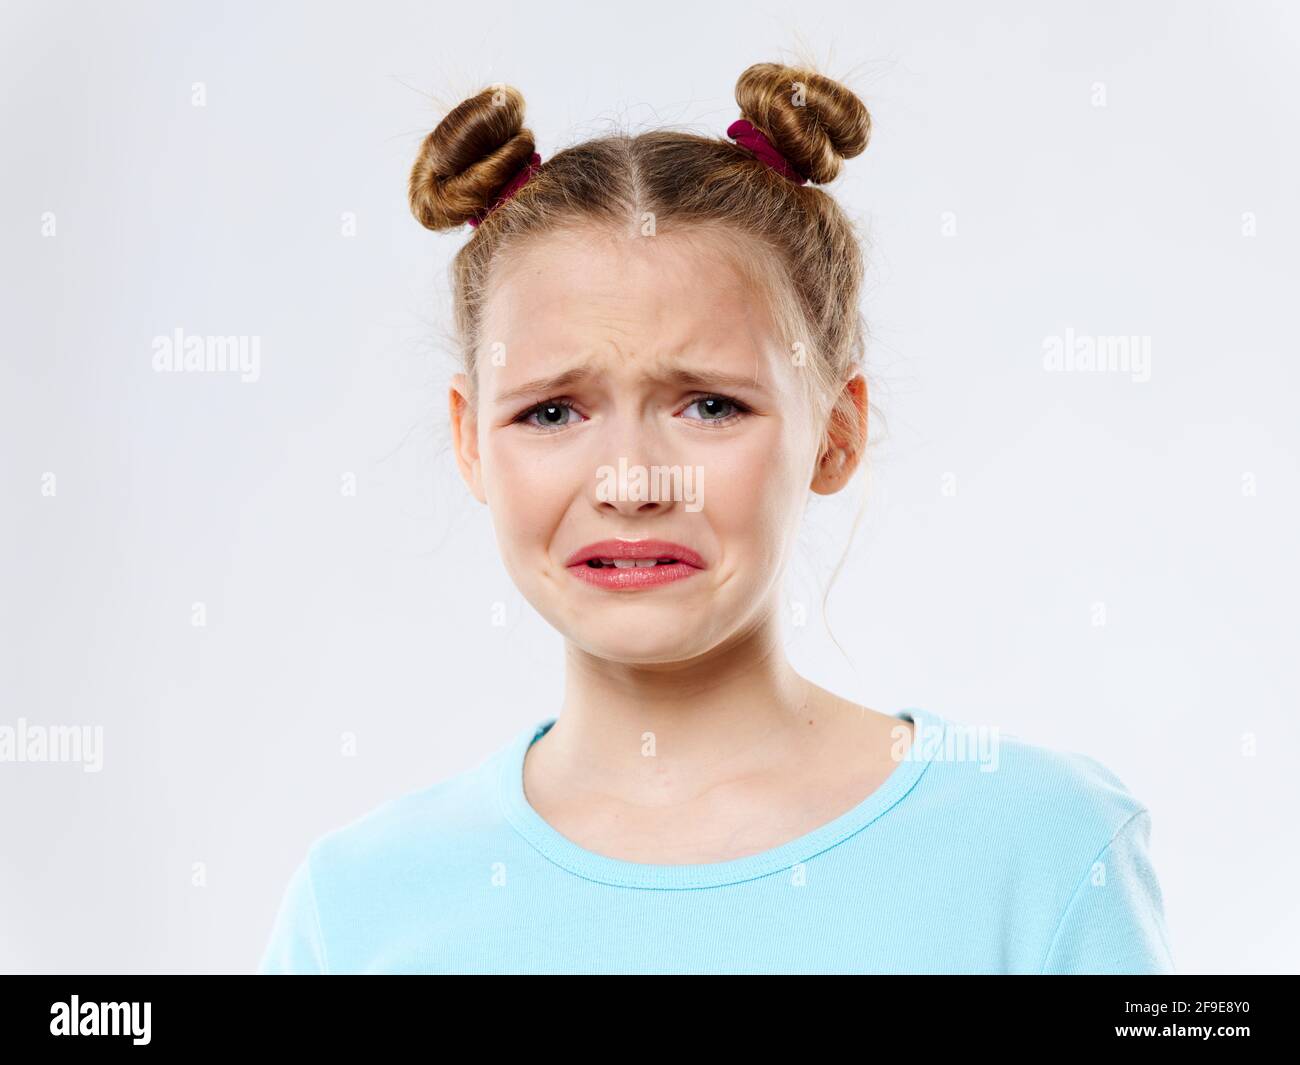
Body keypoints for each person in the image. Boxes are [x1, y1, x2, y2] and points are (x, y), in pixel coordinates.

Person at [257, 61, 1175, 975]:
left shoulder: (1043, 848)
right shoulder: (358, 909)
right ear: (470, 441)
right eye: (551, 412)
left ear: (835, 433)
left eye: (709, 406)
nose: (631, 483)